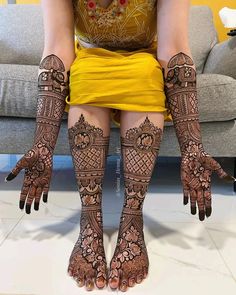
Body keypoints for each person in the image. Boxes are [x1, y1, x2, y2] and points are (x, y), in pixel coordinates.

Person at [5, 0, 235, 292]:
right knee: (86, 79)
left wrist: (192, 145)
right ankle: (90, 220)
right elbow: (57, 50)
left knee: (146, 78)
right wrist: (42, 144)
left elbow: (173, 50)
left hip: (142, 57)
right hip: (90, 58)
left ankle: (132, 218)